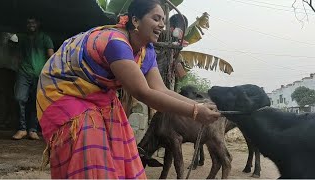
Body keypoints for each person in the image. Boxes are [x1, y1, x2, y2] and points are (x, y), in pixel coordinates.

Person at [37, 0, 220, 178]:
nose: (162, 25)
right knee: (89, 143)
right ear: (135, 20)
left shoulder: (146, 51)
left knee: (120, 147)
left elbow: (160, 90)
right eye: (156, 19)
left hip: (99, 95)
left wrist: (199, 104)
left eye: (163, 20)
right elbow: (142, 92)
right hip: (65, 91)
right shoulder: (116, 43)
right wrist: (195, 112)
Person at [12, 17, 54, 140]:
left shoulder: (45, 38)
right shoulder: (23, 38)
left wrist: (50, 73)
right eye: (29, 22)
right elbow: (18, 55)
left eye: (33, 22)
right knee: (19, 98)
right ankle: (22, 129)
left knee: (36, 101)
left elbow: (51, 56)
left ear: (38, 23)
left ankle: (33, 129)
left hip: (41, 74)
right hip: (24, 72)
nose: (31, 24)